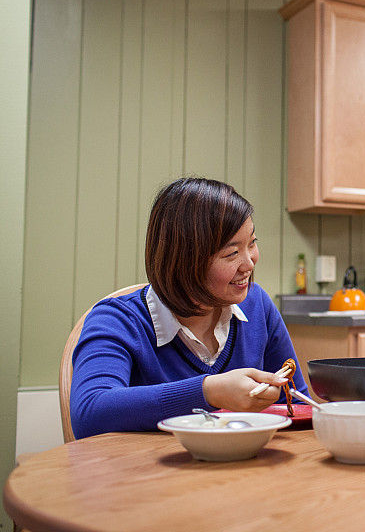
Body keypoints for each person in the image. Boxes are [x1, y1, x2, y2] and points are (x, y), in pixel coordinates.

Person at [71, 177, 309, 438]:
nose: (249, 263)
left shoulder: (257, 305)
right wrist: (209, 391)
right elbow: (89, 413)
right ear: (185, 260)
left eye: (252, 243)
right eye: (231, 253)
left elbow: (298, 404)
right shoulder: (116, 320)